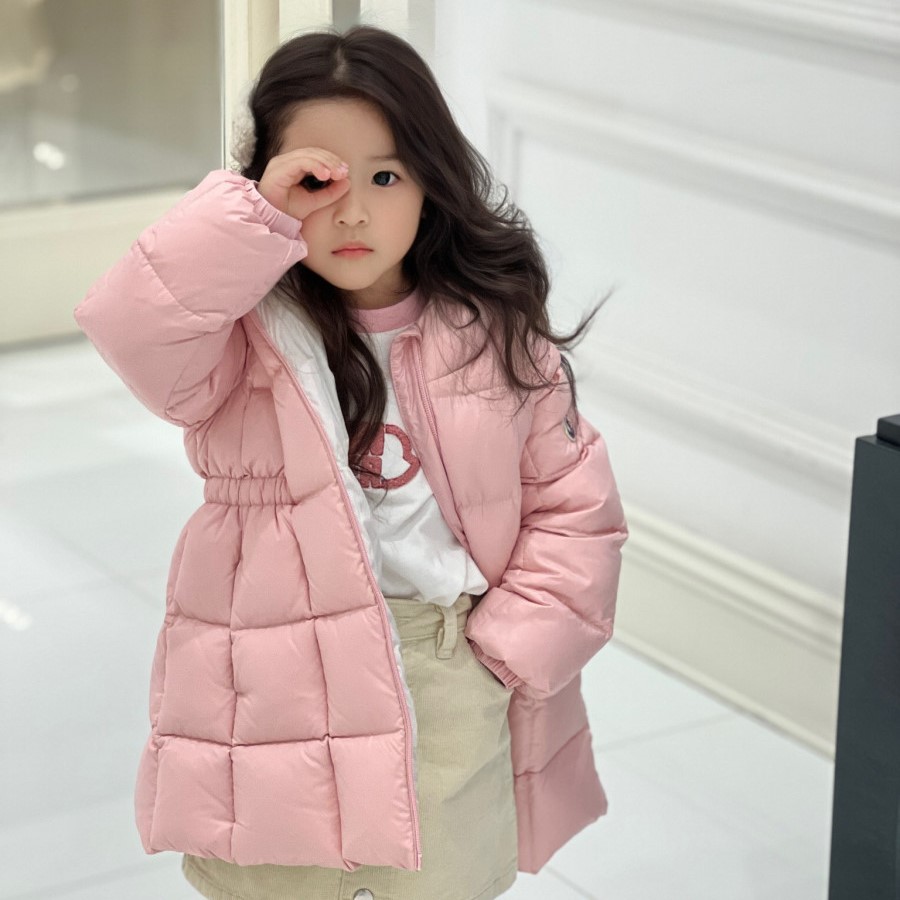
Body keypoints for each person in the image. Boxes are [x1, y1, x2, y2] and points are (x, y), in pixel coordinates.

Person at [73, 23, 628, 900]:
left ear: (431, 181)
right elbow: (132, 326)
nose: (355, 212)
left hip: (444, 662)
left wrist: (505, 653)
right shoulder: (241, 332)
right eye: (320, 182)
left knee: (441, 881)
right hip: (277, 681)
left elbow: (577, 510)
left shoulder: (493, 331)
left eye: (386, 177)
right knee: (281, 885)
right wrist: (251, 219)